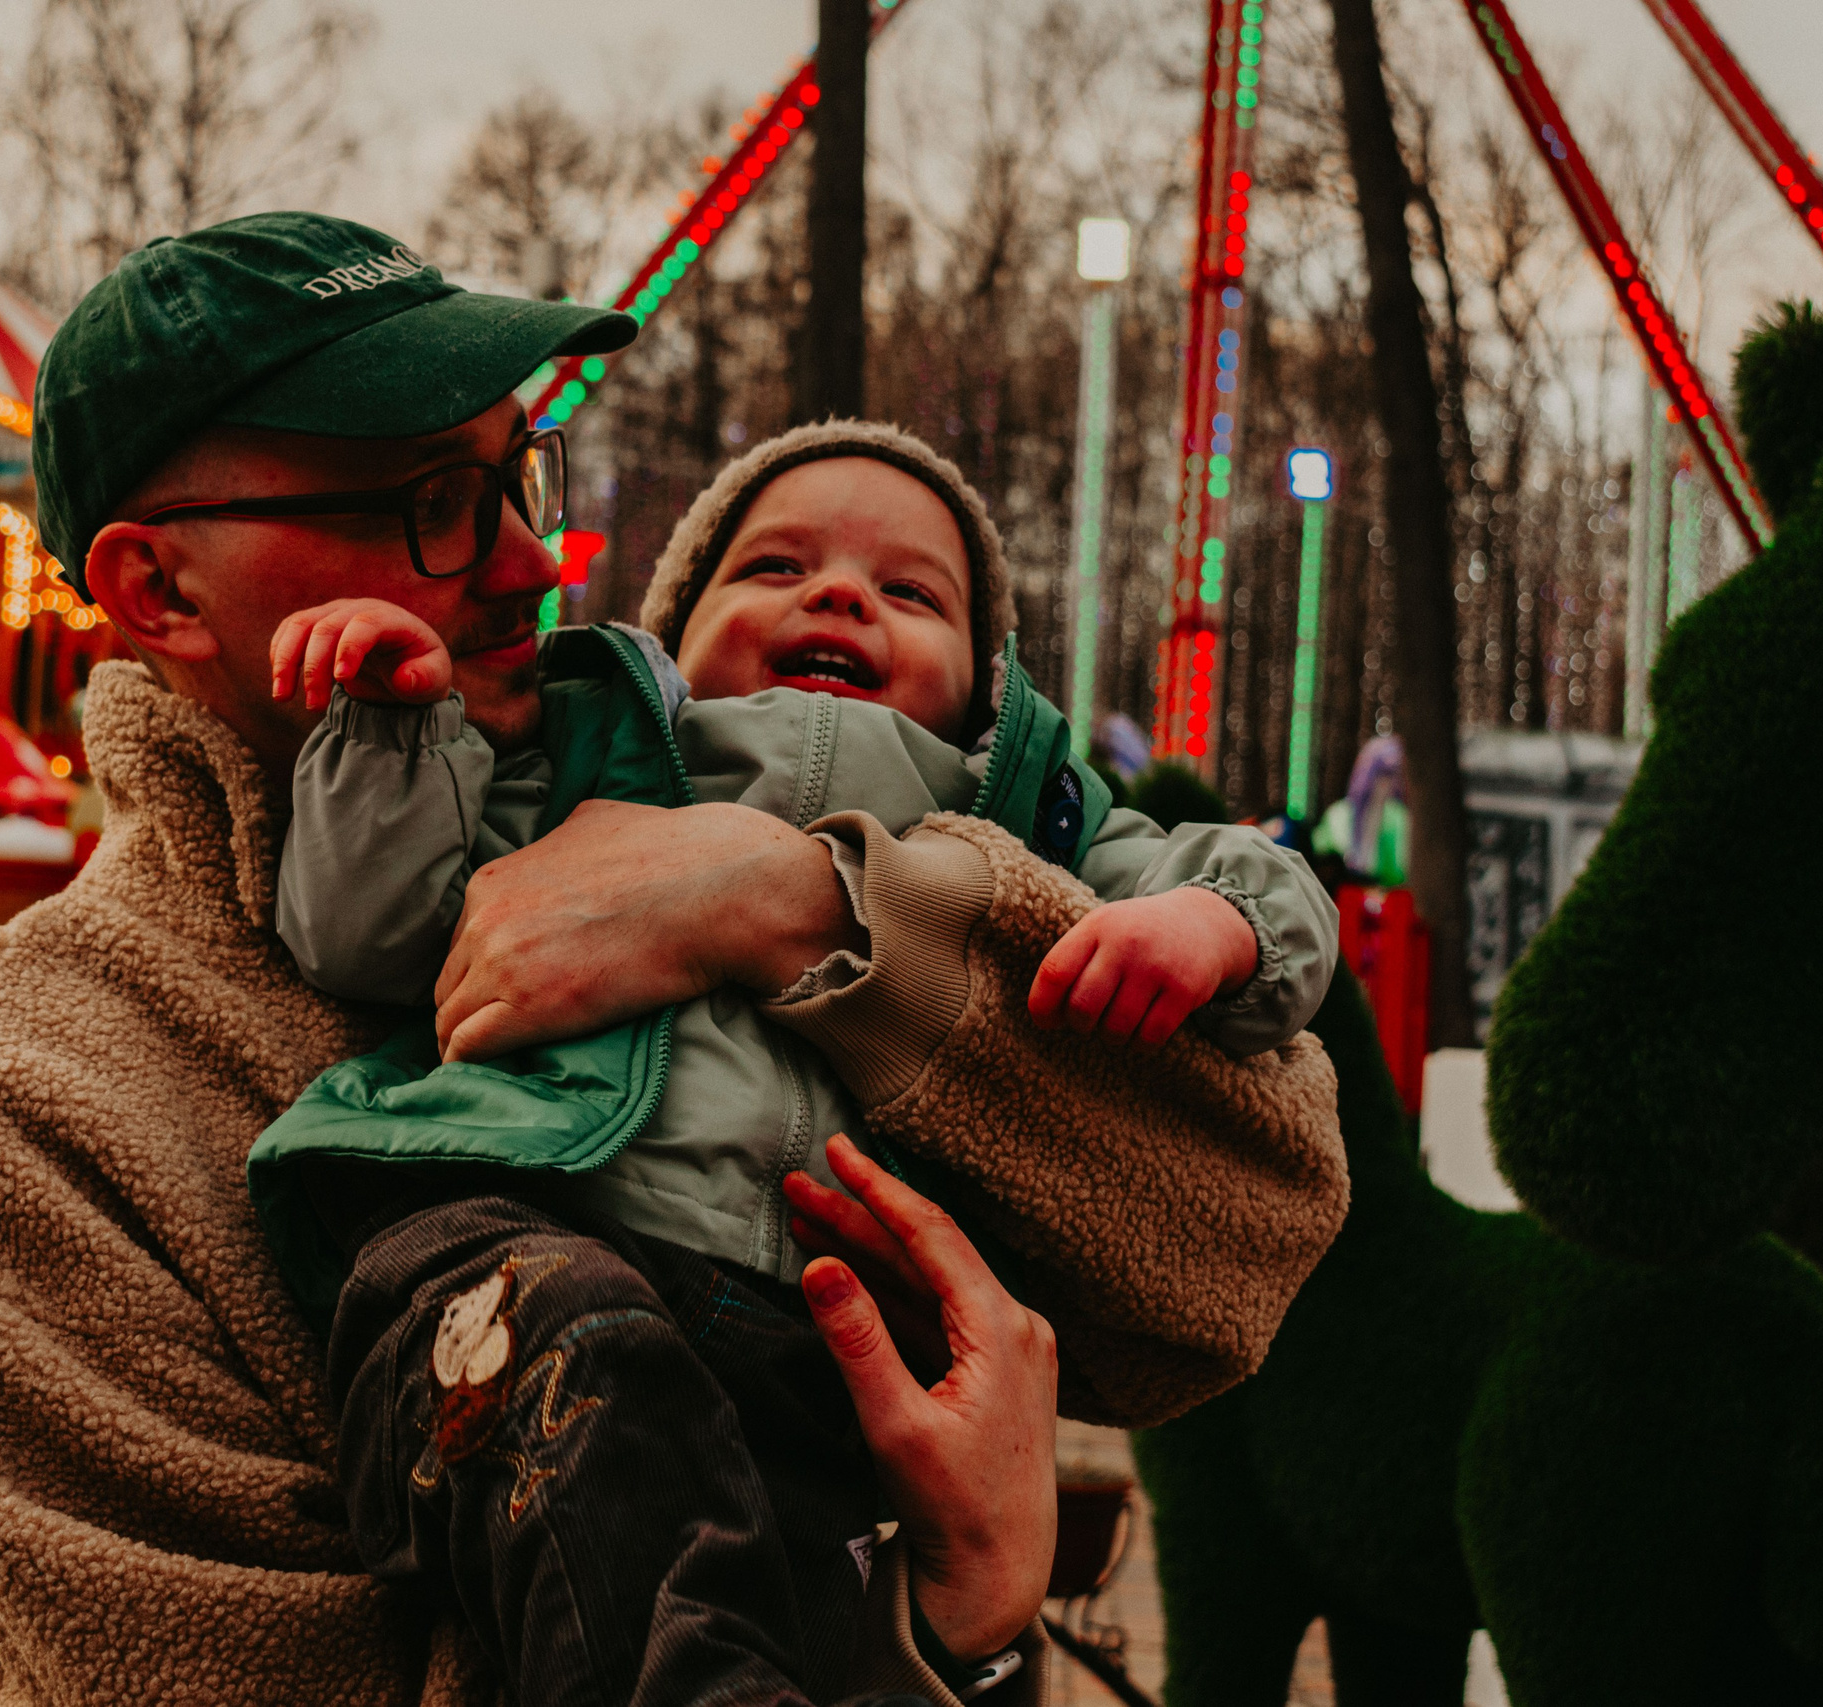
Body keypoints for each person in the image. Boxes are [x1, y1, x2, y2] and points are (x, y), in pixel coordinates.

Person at [0, 213, 1346, 1706]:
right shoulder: (7, 1105)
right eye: (425, 498)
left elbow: (1249, 1233)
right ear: (159, 588)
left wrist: (801, 907)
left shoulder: (688, 813)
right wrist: (938, 1626)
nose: (523, 561)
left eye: (510, 478)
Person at [253, 419, 1339, 1706]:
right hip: (521, 1244)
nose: (838, 595)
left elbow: (1258, 882)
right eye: (773, 568)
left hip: (809, 1346)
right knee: (583, 1407)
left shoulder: (1022, 812)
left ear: (985, 686)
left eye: (908, 592)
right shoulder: (587, 748)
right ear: (673, 633)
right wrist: (393, 731)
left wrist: (1210, 926)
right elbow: (360, 936)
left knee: (778, 1593)